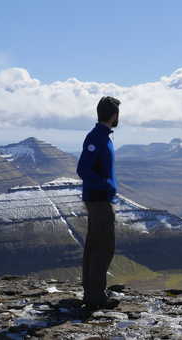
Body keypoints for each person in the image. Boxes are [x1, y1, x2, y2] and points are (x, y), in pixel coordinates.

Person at [76, 96, 121, 310]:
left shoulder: (102, 136)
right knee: (104, 247)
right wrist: (105, 185)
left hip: (98, 198)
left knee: (95, 245)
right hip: (99, 200)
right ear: (114, 115)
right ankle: (96, 297)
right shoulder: (97, 138)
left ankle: (91, 292)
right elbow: (83, 169)